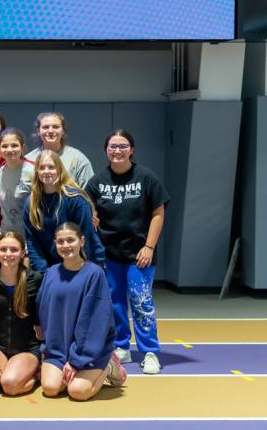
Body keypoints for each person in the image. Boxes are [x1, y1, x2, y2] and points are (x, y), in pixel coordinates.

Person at [85, 130, 170, 375]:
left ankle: (150, 351)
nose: (118, 151)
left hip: (139, 255)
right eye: (113, 146)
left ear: (131, 149)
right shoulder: (98, 182)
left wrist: (149, 246)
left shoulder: (146, 177)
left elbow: (158, 214)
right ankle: (121, 345)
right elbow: (88, 210)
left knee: (141, 303)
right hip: (109, 256)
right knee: (115, 305)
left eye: (123, 146)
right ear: (106, 150)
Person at [37, 222, 127, 401]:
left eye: (71, 240)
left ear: (82, 241)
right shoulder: (51, 272)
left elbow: (95, 321)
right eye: (60, 241)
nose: (66, 246)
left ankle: (109, 365)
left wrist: (77, 360)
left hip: (90, 349)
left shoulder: (94, 274)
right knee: (50, 388)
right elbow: (42, 306)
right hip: (59, 349)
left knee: (77, 392)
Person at [0, 232, 41, 396]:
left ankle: (35, 376)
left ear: (22, 252)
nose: (8, 254)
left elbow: (42, 315)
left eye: (13, 250)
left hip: (26, 348)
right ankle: (5, 372)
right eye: (3, 249)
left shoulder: (35, 279)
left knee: (10, 385)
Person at [23, 150, 104, 272]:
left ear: (59, 170)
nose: (46, 171)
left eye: (51, 167)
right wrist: (44, 272)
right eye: (42, 168)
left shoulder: (75, 199)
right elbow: (32, 241)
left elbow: (86, 238)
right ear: (37, 172)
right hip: (49, 269)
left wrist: (76, 270)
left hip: (84, 263)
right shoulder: (31, 202)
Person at [26, 112, 93, 188]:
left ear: (63, 131)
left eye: (56, 127)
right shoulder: (27, 160)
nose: (50, 131)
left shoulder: (79, 159)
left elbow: (88, 194)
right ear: (38, 131)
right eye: (45, 127)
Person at [0, 128, 35, 235]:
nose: (9, 150)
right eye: (4, 146)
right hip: (6, 233)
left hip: (30, 235)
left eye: (14, 145)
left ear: (22, 147)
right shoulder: (1, 170)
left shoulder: (33, 170)